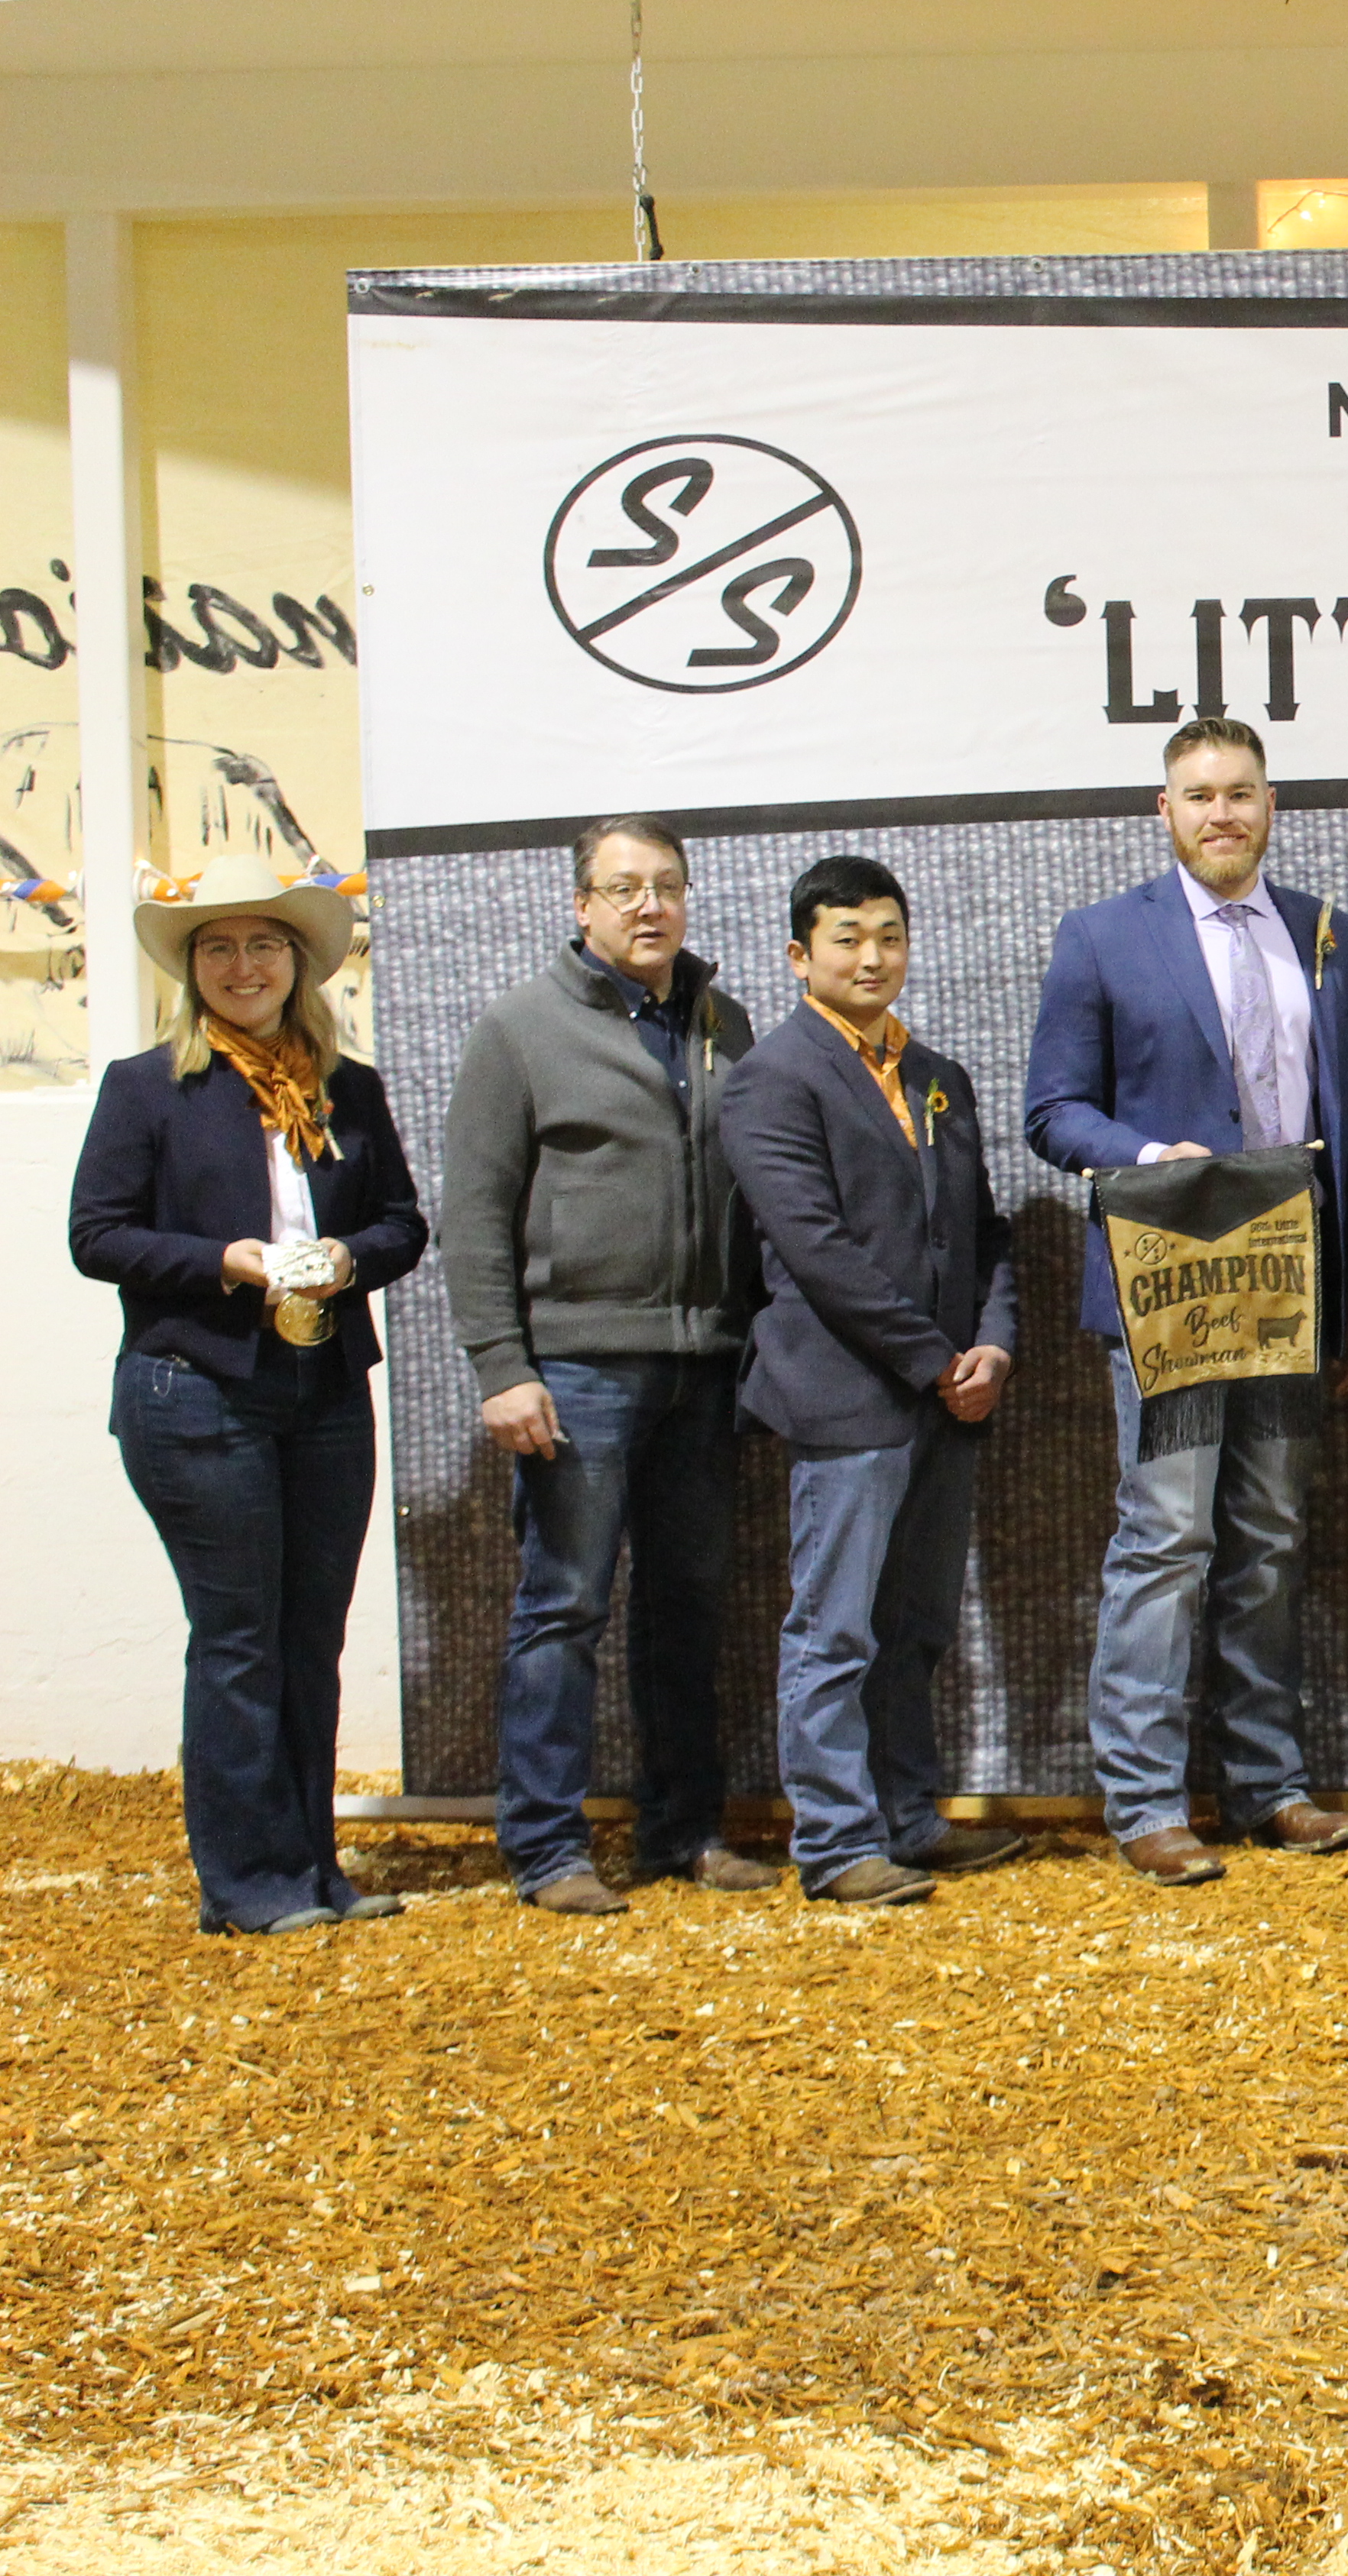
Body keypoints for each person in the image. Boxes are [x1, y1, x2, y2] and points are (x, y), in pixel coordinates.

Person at [1027, 715, 1348, 1885]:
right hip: (1169, 1285)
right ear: (1164, 811)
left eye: (1240, 792)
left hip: (1290, 1284)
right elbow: (1053, 1112)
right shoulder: (1100, 939)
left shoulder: (1331, 937)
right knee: (1170, 1537)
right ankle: (1144, 1801)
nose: (1221, 812)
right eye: (1199, 795)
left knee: (1272, 1538)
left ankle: (1267, 1786)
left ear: (1269, 804)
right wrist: (1148, 1155)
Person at [72, 857, 426, 1934]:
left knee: (309, 1634)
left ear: (298, 962)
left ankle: (314, 1868)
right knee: (238, 1639)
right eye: (218, 948)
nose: (242, 966)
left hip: (320, 1390)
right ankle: (247, 1882)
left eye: (263, 945)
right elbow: (99, 1237)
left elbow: (404, 1223)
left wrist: (344, 1259)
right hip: (195, 1392)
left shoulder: (346, 1088)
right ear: (192, 968)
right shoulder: (149, 1087)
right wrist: (228, 1260)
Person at [440, 812, 773, 1915]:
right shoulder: (521, 1029)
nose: (648, 906)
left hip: (704, 1364)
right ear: (580, 906)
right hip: (577, 1367)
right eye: (623, 888)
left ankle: (682, 1833)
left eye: (666, 885)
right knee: (564, 1606)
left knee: (690, 1604)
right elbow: (475, 1215)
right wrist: (502, 1364)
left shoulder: (723, 1022)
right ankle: (544, 1847)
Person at [716, 856, 1026, 1908]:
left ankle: (906, 1819)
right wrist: (934, 1361)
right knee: (835, 1627)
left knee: (919, 1625)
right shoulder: (771, 1076)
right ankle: (838, 1841)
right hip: (847, 1394)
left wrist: (993, 1343)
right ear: (801, 956)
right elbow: (815, 1248)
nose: (872, 956)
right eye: (847, 938)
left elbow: (983, 1231)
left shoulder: (940, 1074)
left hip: (949, 1393)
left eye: (888, 935)